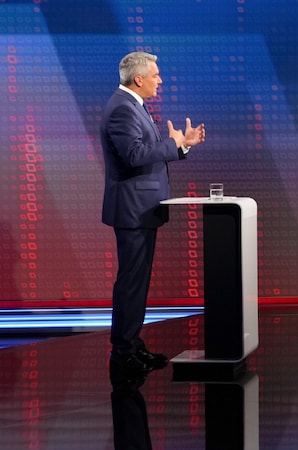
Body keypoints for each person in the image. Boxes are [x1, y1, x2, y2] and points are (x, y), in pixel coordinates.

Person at [101, 51, 206, 375]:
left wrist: (182, 145)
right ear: (139, 79)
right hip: (132, 210)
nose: (160, 80)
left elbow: (145, 151)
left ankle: (131, 344)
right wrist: (173, 146)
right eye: (156, 75)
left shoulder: (133, 106)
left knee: (137, 281)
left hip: (141, 209)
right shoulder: (122, 108)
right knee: (132, 282)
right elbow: (134, 154)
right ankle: (123, 351)